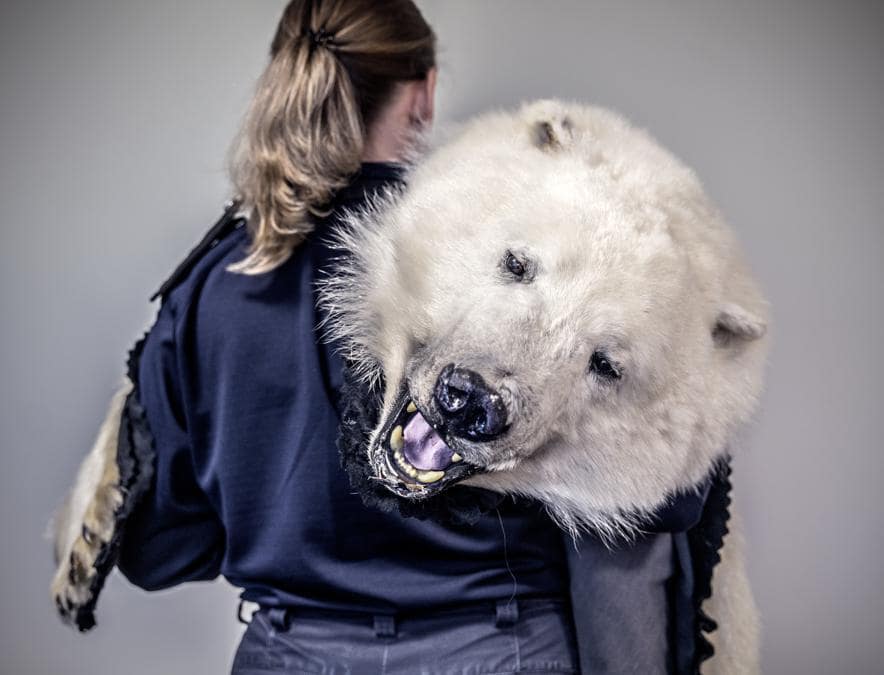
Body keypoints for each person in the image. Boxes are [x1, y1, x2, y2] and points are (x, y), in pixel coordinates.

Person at [116, 1, 711, 673]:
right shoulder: (487, 245)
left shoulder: (209, 285)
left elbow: (156, 543)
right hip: (500, 648)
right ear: (423, 93)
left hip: (286, 652)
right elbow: (650, 508)